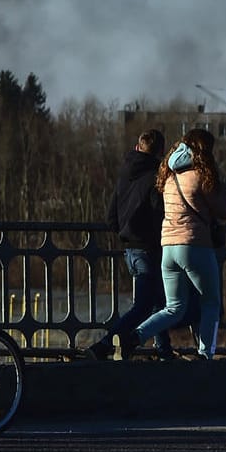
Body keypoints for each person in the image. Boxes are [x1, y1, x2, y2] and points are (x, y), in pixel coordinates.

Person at [131, 128, 226, 359]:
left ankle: (135, 336)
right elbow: (224, 210)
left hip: (168, 248)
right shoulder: (201, 176)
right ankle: (205, 355)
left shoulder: (168, 176)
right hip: (195, 246)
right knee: (211, 303)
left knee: (174, 307)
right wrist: (221, 184)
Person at [89, 128, 176, 360]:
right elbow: (161, 213)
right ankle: (105, 343)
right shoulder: (156, 178)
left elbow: (111, 217)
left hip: (130, 249)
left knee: (158, 300)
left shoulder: (124, 176)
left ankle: (164, 350)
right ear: (160, 152)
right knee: (145, 305)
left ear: (138, 147)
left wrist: (126, 235)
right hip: (148, 248)